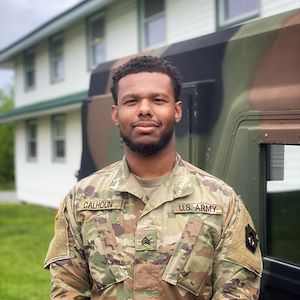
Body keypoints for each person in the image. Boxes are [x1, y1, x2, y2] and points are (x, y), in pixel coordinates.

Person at [45, 55, 263, 299]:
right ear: (115, 114)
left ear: (177, 110)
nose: (145, 109)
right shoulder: (81, 199)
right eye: (132, 101)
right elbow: (67, 289)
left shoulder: (222, 201)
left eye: (158, 100)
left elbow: (237, 291)